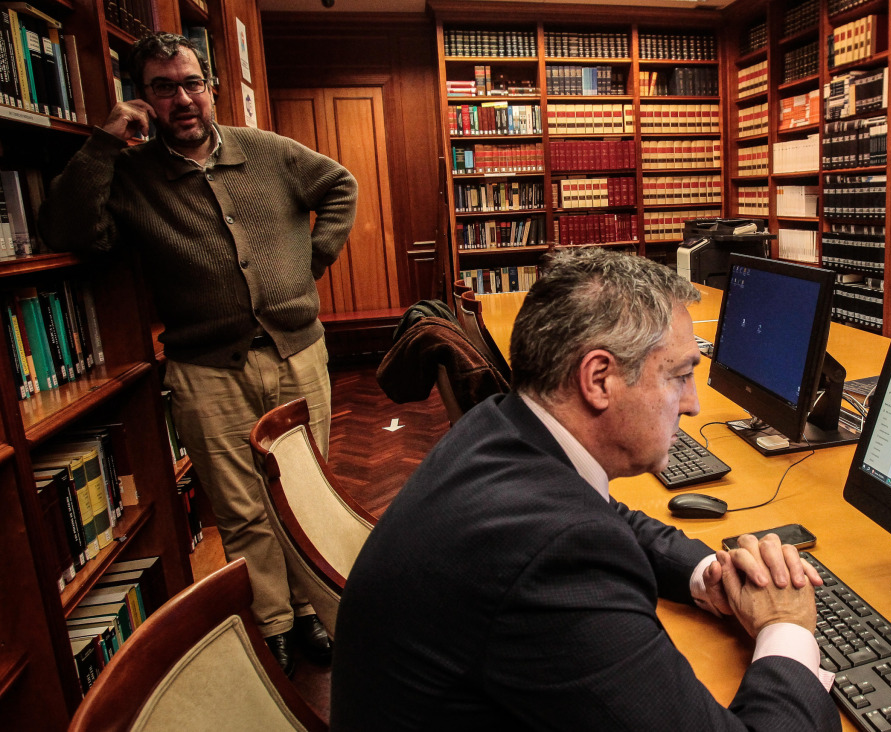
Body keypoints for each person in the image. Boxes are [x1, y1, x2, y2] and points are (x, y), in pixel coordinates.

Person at [331, 248, 840, 730]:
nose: (693, 404)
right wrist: (785, 627)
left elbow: (609, 515)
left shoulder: (502, 425)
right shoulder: (555, 558)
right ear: (599, 379)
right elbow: (571, 542)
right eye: (681, 376)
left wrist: (710, 574)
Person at [39, 33, 358, 677]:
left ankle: (312, 613)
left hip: (296, 352)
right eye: (163, 87)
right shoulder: (131, 175)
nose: (182, 99)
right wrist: (103, 141)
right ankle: (275, 625)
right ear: (144, 98)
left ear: (210, 85)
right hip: (206, 368)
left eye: (191, 83)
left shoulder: (265, 152)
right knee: (240, 507)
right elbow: (69, 231)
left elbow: (340, 185)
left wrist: (306, 263)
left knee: (303, 494)